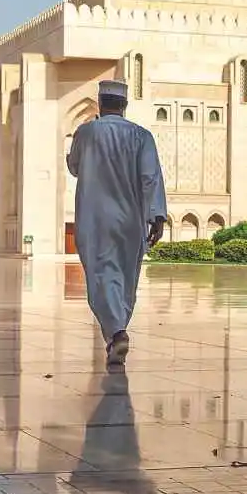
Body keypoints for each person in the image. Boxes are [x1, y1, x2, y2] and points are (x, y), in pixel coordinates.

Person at [66, 80, 167, 365]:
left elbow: (74, 166)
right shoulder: (141, 135)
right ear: (124, 106)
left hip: (95, 218)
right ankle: (115, 336)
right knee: (125, 278)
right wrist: (157, 215)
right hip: (130, 218)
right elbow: (151, 177)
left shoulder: (85, 133)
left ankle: (116, 332)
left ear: (101, 103)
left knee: (101, 276)